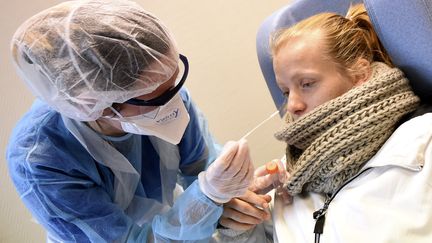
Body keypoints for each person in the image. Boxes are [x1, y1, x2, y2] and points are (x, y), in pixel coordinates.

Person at [6, 0, 271, 242]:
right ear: (94, 104)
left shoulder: (162, 95)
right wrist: (206, 199)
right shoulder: (40, 160)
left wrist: (227, 201)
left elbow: (200, 169)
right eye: (159, 96)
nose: (175, 102)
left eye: (174, 83)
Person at [214, 3, 432, 242]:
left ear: (360, 74)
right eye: (285, 92)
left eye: (307, 84)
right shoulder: (285, 182)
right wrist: (240, 224)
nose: (292, 105)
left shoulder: (423, 143)